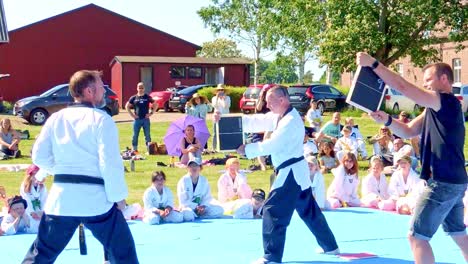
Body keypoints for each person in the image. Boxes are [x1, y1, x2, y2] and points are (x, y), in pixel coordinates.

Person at [358, 52, 468, 263]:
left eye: (428, 80)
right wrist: (387, 119)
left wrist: (374, 64)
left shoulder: (442, 101)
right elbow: (408, 131)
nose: (425, 85)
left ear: (444, 79)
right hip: (456, 181)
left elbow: (404, 87)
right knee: (459, 234)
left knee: (416, 237)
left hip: (442, 182)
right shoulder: (436, 108)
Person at [24, 70, 138, 263]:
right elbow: (109, 163)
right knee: (123, 253)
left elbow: (39, 156)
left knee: (40, 254)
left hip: (62, 199)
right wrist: (119, 198)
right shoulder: (102, 120)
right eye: (101, 87)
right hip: (95, 201)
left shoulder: (55, 118)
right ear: (89, 91)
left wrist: (63, 171)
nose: (105, 91)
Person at [236, 86, 339, 264]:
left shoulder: (290, 121)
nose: (266, 104)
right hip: (295, 172)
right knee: (309, 211)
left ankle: (271, 256)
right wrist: (228, 122)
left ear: (282, 100)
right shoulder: (280, 116)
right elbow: (258, 121)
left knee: (272, 211)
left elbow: (272, 145)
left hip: (290, 173)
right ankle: (330, 246)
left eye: (270, 101)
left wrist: (248, 150)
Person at [177, 157, 224, 221]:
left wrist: (203, 206)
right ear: (188, 168)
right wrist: (195, 207)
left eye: (196, 165)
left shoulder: (204, 180)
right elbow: (183, 200)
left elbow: (207, 197)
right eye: (191, 166)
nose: (194, 168)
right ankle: (195, 215)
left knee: (220, 210)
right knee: (188, 215)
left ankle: (200, 215)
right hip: (188, 207)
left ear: (200, 168)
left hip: (201, 207)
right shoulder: (183, 181)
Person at [125, 82, 156, 152]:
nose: (141, 89)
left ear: (144, 88)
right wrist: (132, 115)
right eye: (139, 88)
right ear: (137, 88)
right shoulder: (133, 98)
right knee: (135, 135)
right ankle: (135, 149)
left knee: (147, 135)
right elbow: (127, 106)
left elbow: (155, 104)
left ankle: (149, 150)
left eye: (142, 88)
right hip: (137, 119)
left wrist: (151, 113)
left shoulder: (147, 97)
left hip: (146, 119)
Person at [211, 84, 231, 151]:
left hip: (225, 117)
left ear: (224, 91)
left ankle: (224, 147)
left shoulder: (228, 98)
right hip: (216, 116)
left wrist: (223, 99)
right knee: (215, 133)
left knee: (224, 132)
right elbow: (214, 106)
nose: (220, 91)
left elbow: (226, 106)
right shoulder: (214, 98)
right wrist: (217, 98)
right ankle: (213, 148)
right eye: (219, 90)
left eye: (222, 90)